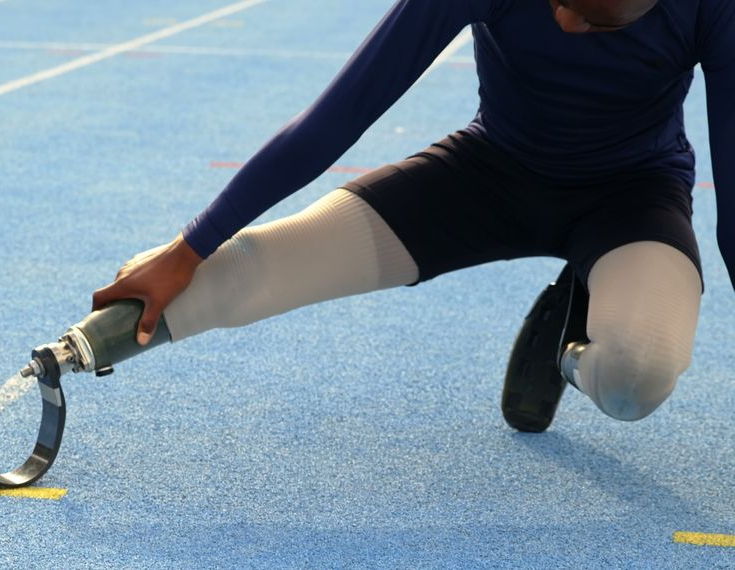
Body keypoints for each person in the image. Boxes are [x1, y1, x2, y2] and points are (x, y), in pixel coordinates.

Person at [90, 0, 734, 431]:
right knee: (230, 273)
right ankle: (69, 352)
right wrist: (187, 249)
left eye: (600, 21)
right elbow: (337, 118)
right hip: (484, 177)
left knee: (634, 381)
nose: (566, 22)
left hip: (631, 198)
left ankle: (566, 347)